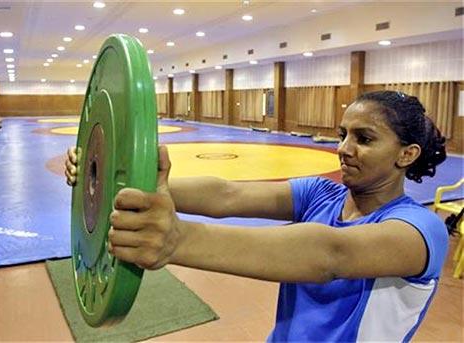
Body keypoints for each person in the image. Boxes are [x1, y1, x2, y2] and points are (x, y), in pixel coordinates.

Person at [65, 90, 448, 342]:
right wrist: (114, 182)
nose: (343, 149)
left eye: (363, 139)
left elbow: (330, 255)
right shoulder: (322, 193)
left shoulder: (420, 231)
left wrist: (178, 240)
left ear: (407, 154)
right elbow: (227, 194)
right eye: (342, 134)